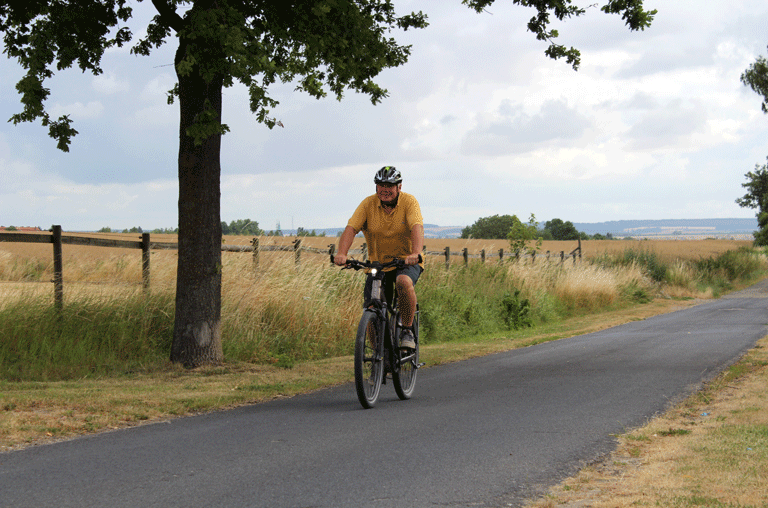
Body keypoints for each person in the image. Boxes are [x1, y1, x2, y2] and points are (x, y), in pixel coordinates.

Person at [334, 166, 424, 349]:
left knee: (403, 282)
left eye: (389, 186)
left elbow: (416, 226)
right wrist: (342, 253)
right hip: (378, 264)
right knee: (371, 307)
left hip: (405, 261)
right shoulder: (368, 204)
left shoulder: (409, 202)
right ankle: (378, 355)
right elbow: (351, 228)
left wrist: (415, 253)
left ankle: (407, 330)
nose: (385, 189)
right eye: (381, 185)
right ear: (376, 187)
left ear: (399, 187)